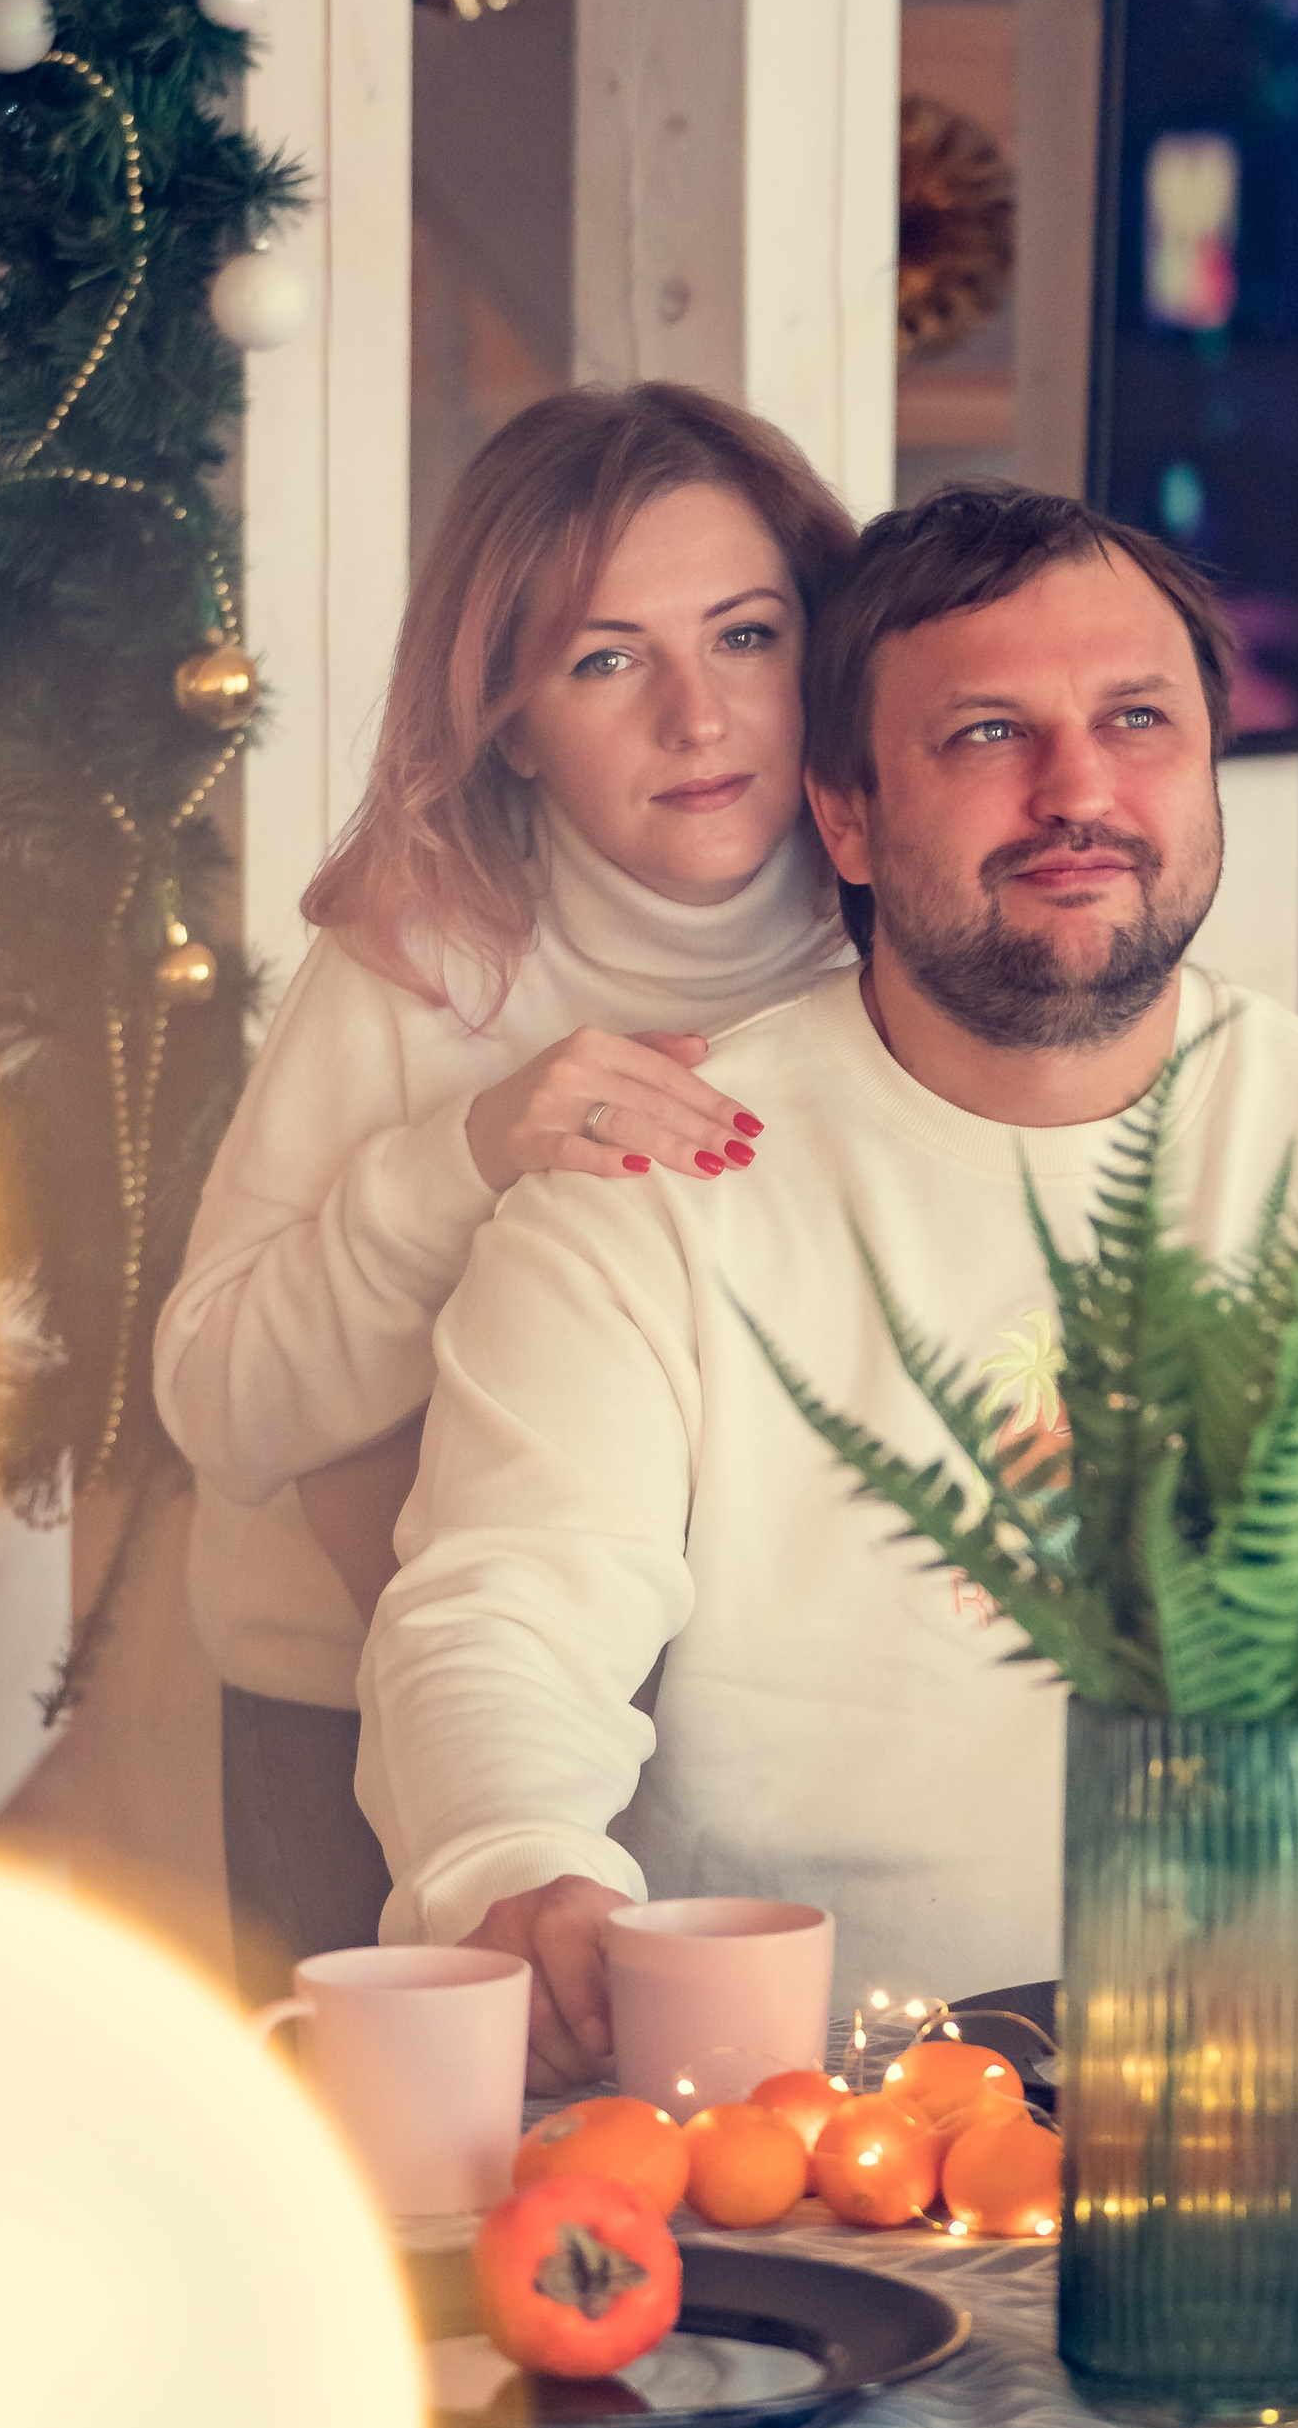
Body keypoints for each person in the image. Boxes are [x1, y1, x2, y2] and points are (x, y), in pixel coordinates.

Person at [360, 483, 1298, 2086]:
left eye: (1138, 721)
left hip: (1269, 2122)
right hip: (795, 2127)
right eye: (987, 733)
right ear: (844, 811)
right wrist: (514, 1858)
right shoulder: (660, 1187)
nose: (1079, 791)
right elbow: (507, 1604)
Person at [153, 384, 860, 2002]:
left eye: (746, 636)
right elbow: (218, 1402)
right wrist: (463, 1160)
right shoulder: (430, 953)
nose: (698, 714)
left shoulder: (904, 935)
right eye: (608, 659)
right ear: (509, 717)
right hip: (348, 1723)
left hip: (735, 1734)